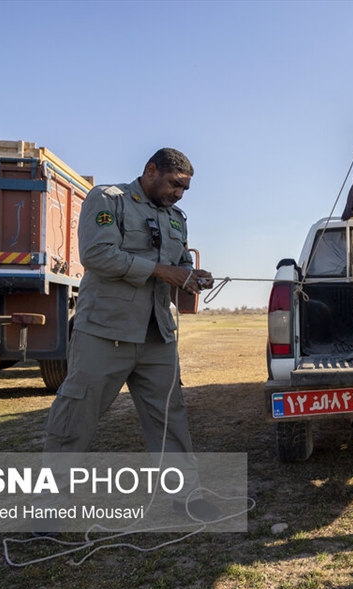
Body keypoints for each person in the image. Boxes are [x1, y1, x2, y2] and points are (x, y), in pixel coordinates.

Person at [41, 147, 219, 523]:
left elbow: (180, 262)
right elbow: (97, 254)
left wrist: (191, 275)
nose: (179, 194)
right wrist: (161, 271)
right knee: (75, 416)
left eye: (185, 189)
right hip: (105, 332)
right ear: (151, 171)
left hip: (157, 336)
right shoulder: (108, 200)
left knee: (170, 419)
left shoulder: (175, 218)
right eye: (174, 184)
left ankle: (184, 498)